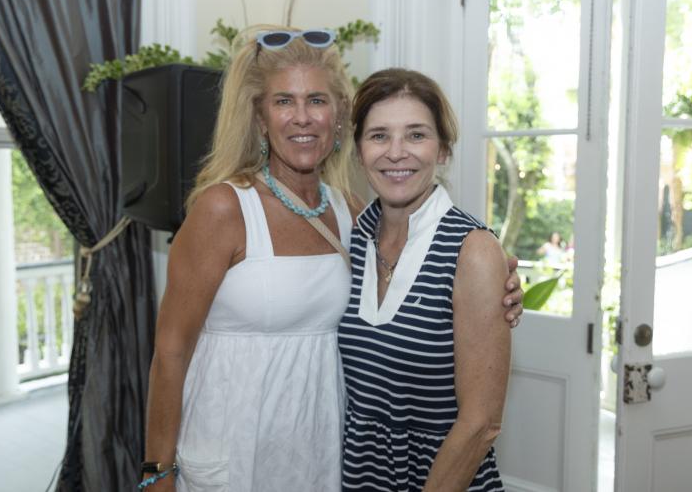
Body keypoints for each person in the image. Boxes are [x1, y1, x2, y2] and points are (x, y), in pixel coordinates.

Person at [142, 27, 523, 491]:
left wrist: (493, 286)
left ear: (339, 116)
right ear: (260, 118)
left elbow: (427, 269)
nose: (302, 117)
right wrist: (156, 472)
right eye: (284, 101)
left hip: (320, 454)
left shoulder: (350, 214)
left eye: (317, 100)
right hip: (231, 444)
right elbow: (171, 349)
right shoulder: (224, 208)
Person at [339, 68, 511, 491]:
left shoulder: (472, 250)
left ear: (443, 149)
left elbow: (481, 424)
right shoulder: (352, 237)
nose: (396, 153)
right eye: (379, 136)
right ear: (359, 151)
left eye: (416, 135)